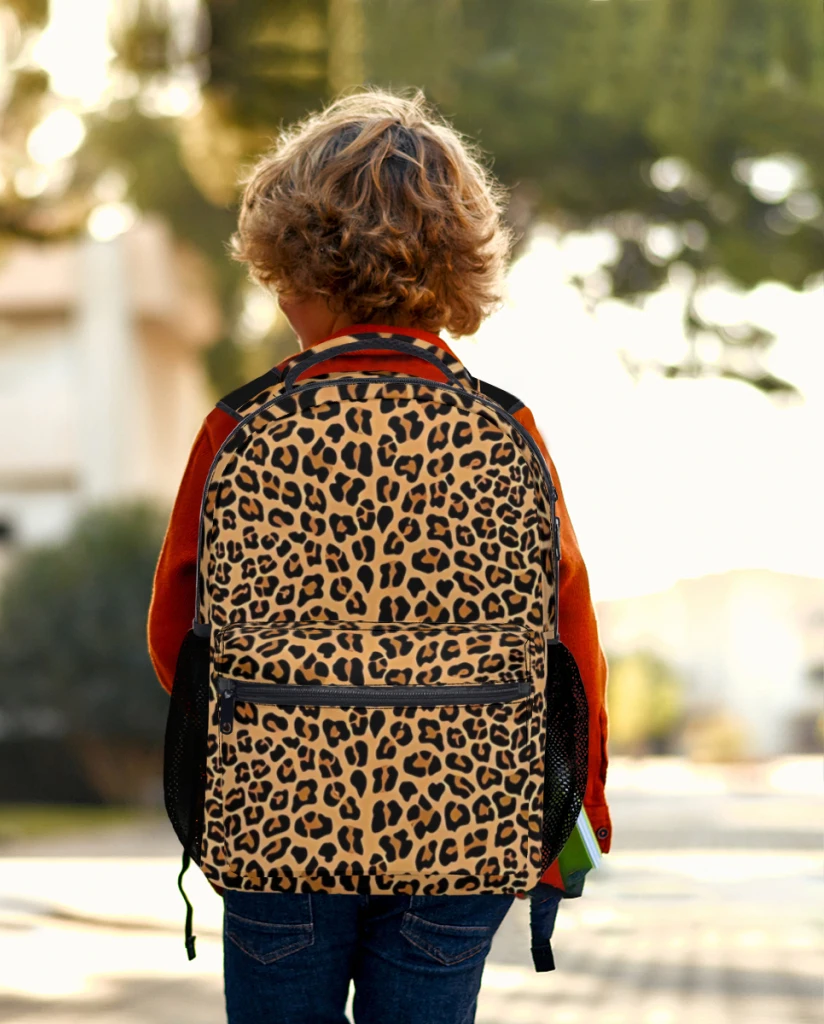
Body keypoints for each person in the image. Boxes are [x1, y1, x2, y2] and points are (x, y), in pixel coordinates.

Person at [148, 88, 610, 1024]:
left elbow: (175, 636)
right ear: (459, 269)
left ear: (292, 268)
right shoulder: (507, 429)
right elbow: (569, 641)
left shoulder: (240, 427)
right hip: (462, 829)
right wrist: (577, 813)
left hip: (281, 825)